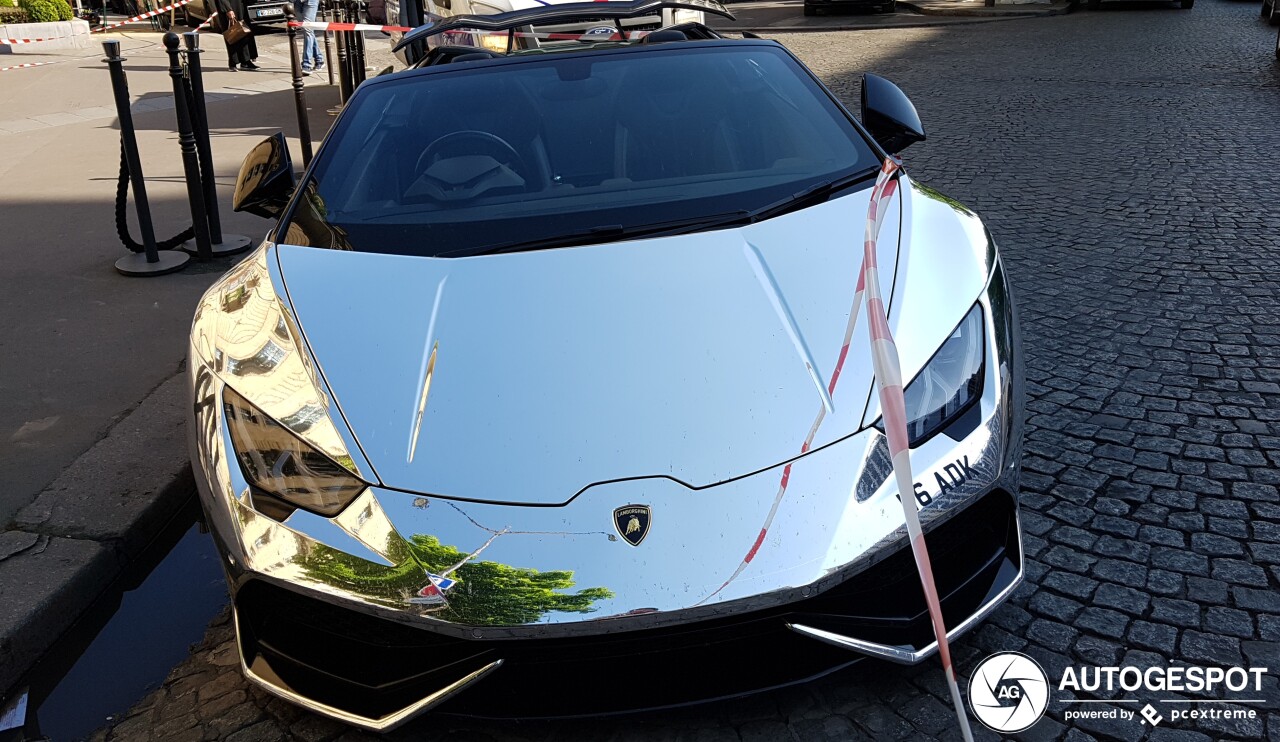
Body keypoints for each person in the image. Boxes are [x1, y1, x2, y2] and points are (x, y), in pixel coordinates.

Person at [212, 0, 260, 72]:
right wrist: (228, 9)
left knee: (244, 32)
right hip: (230, 7)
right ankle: (233, 63)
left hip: (240, 6)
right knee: (232, 34)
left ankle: (246, 61)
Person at [299, 0, 324, 76]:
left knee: (308, 29)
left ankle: (306, 64)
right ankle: (319, 59)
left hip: (310, 1)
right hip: (297, 2)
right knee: (308, 30)